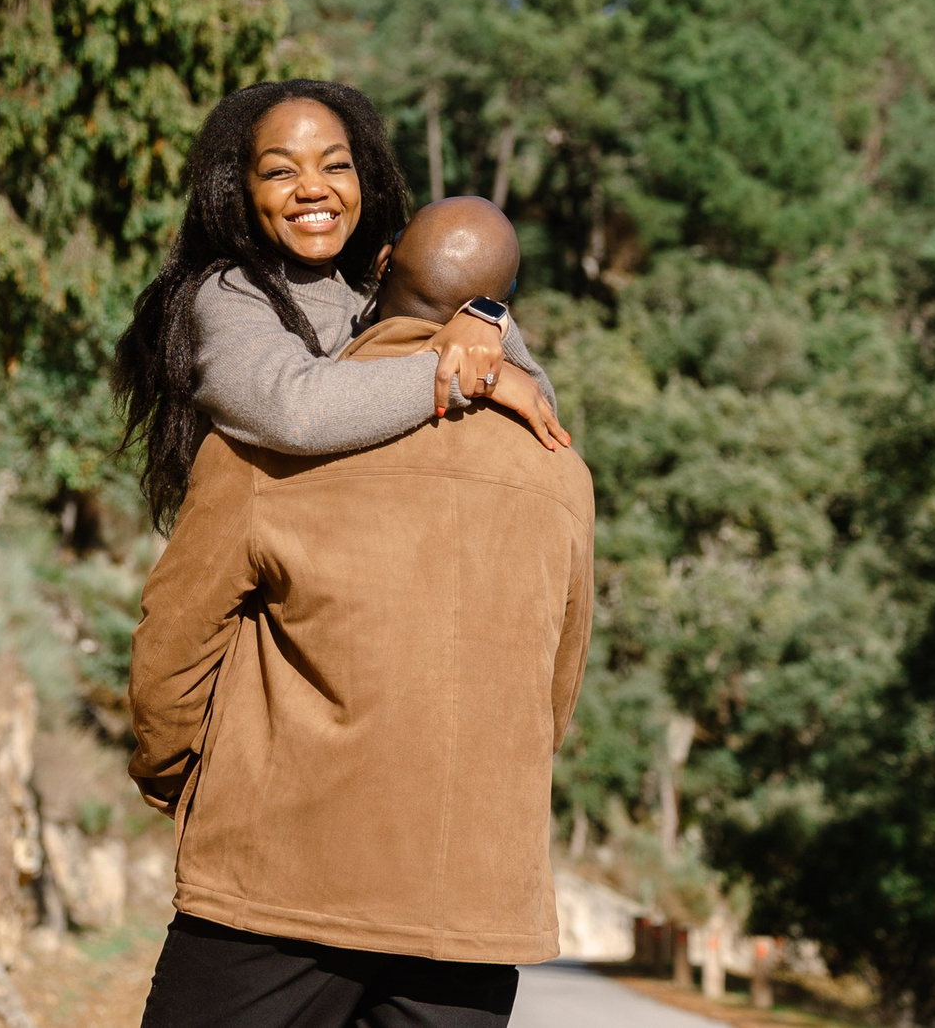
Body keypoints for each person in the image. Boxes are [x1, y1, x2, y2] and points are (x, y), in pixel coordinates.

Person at [126, 197, 596, 1028]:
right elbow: (553, 693)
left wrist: (176, 779)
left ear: (378, 268)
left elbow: (173, 649)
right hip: (469, 909)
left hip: (275, 886)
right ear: (500, 315)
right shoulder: (560, 471)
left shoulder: (269, 441)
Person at [113, 79, 567, 532]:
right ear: (239, 190)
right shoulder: (229, 294)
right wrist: (463, 377)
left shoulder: (369, 298)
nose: (314, 188)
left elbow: (540, 407)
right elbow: (293, 412)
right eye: (280, 172)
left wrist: (488, 321)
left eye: (335, 166)